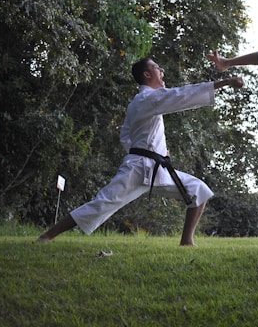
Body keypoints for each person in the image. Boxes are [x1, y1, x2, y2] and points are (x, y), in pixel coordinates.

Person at [38, 57, 244, 246]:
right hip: (136, 170)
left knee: (198, 190)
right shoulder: (147, 99)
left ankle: (187, 241)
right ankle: (47, 236)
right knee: (102, 204)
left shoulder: (143, 102)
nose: (162, 70)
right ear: (147, 75)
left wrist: (156, 151)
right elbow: (182, 95)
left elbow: (127, 136)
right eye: (157, 68)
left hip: (157, 169)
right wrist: (225, 82)